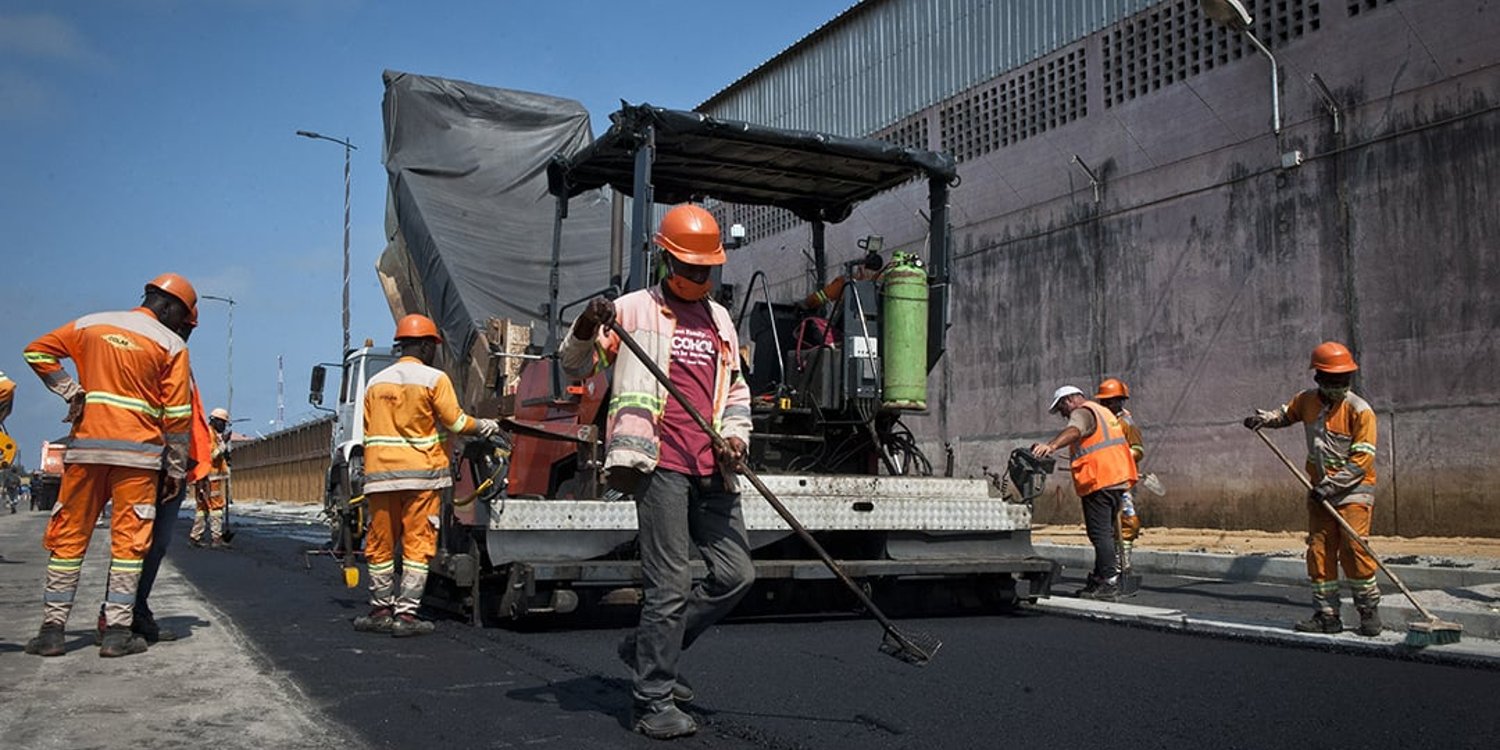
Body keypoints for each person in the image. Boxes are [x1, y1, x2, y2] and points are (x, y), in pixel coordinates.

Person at [564, 203, 755, 741]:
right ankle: (652, 699)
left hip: (712, 467)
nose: (699, 277)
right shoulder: (628, 312)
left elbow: (735, 391)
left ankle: (645, 649)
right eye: (690, 267)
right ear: (665, 258)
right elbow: (575, 365)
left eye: (707, 269)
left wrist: (736, 437)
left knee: (737, 575)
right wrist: (584, 324)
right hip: (658, 463)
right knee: (670, 584)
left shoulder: (719, 318)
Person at [22, 273, 196, 657]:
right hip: (138, 459)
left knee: (69, 539)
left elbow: (36, 352)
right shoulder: (169, 345)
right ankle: (117, 633)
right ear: (167, 307)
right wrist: (176, 469)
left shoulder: (90, 324)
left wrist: (73, 391)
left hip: (86, 453)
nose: (180, 327)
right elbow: (178, 416)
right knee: (129, 545)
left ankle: (52, 630)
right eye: (181, 318)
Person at [351, 314, 499, 637]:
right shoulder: (435, 380)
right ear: (423, 345)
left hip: (381, 478)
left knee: (380, 544)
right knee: (417, 546)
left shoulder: (376, 384)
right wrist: (485, 426)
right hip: (421, 479)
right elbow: (457, 423)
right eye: (432, 345)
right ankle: (405, 616)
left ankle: (380, 609)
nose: (434, 351)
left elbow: (368, 432)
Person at [1244, 341, 1381, 636]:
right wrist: (1263, 420)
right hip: (1319, 492)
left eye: (1343, 380)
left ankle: (1368, 610)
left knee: (1355, 549)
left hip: (1353, 491)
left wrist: (1331, 486)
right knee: (1319, 551)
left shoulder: (1360, 411)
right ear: (1318, 377)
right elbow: (1285, 415)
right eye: (1332, 380)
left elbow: (1362, 460)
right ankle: (1327, 615)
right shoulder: (1306, 400)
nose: (1338, 386)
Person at [97, 311, 211, 644]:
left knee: (155, 543)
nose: (188, 334)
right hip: (151, 462)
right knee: (136, 542)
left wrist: (188, 464)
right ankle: (118, 616)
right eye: (187, 327)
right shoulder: (153, 353)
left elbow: (188, 418)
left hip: (171, 464)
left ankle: (134, 609)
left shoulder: (174, 353)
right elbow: (169, 416)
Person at [1032, 384, 1138, 601]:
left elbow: (1074, 430)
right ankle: (1100, 578)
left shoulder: (1082, 412)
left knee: (1099, 533)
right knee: (1105, 532)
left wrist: (1051, 446)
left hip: (1099, 480)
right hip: (1116, 479)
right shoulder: (1104, 412)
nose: (1063, 414)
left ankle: (1109, 580)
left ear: (1069, 400)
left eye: (1061, 408)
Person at [1095, 377, 1145, 574]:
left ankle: (1122, 562)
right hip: (1100, 479)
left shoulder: (1126, 423)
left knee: (1127, 520)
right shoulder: (1099, 422)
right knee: (1103, 525)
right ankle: (1106, 566)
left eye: (1110, 401)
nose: (1105, 404)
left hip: (1121, 479)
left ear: (1120, 400)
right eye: (1103, 401)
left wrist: (1120, 457)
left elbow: (1138, 450)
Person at [190, 407, 232, 548]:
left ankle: (195, 537)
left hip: (202, 476)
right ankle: (216, 538)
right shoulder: (209, 434)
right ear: (216, 421)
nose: (224, 426)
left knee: (202, 508)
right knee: (216, 507)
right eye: (223, 423)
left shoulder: (209, 433)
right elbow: (212, 455)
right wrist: (223, 444)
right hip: (210, 477)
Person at [796, 249, 884, 311]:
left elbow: (821, 297)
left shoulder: (848, 282)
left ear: (861, 267)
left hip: (850, 326)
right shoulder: (885, 283)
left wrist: (806, 303)